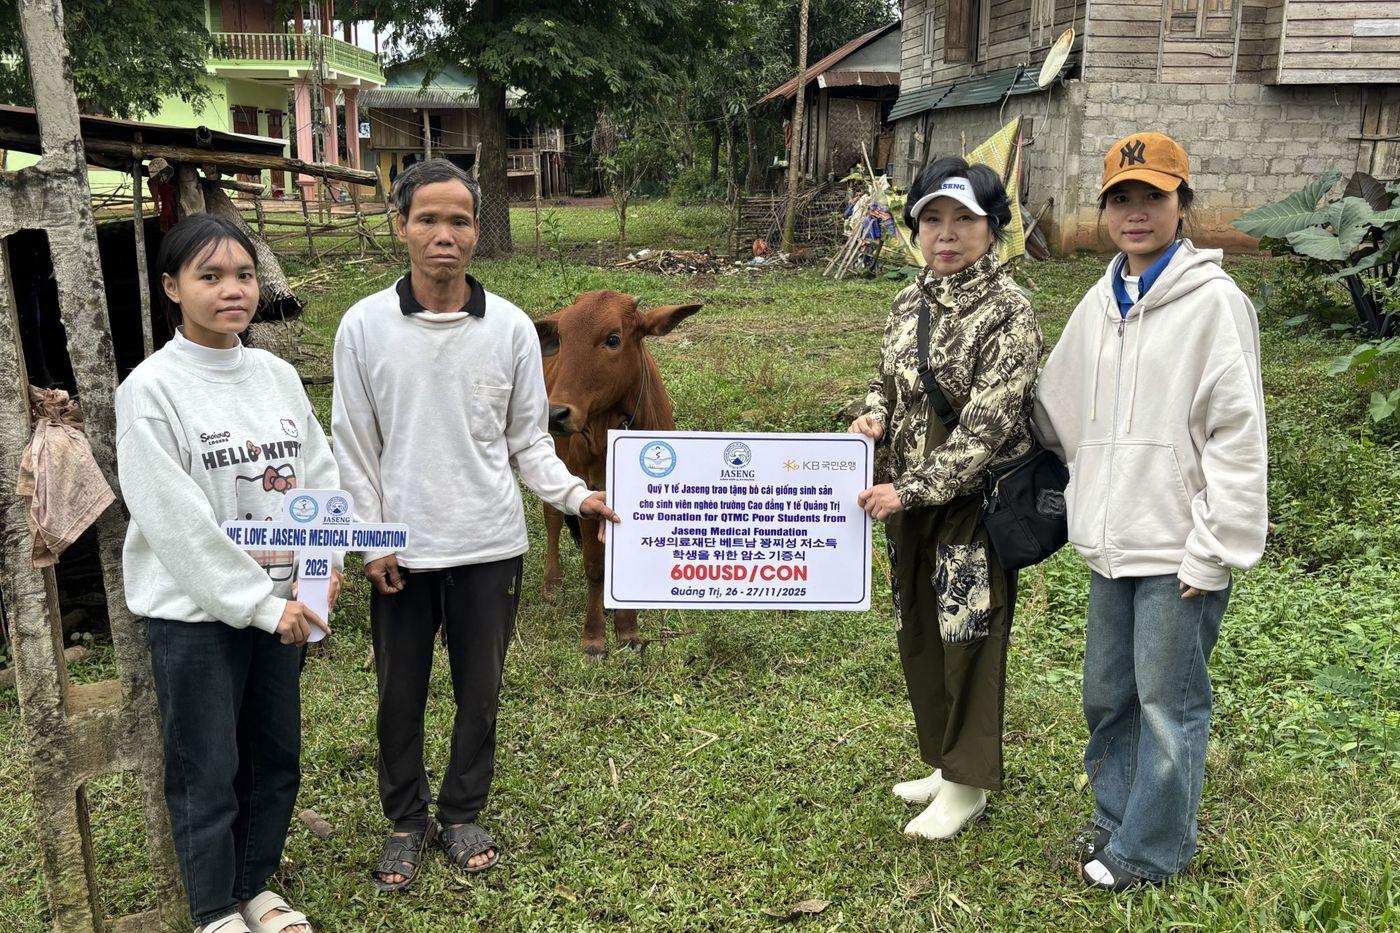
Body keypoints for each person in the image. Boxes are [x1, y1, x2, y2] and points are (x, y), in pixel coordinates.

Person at [332, 158, 619, 892]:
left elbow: (527, 441)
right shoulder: (364, 326)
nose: (444, 235)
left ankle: (461, 813)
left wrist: (576, 495)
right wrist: (371, 540)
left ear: (476, 231)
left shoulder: (512, 328)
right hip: (402, 551)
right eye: (428, 219)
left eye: (459, 221)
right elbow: (354, 446)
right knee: (399, 694)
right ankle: (405, 820)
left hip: (489, 544)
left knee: (479, 692)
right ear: (400, 225)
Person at [1033, 132, 1268, 890]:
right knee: (1108, 696)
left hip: (1179, 545)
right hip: (1111, 538)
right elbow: (1056, 404)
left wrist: (1215, 546)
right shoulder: (1100, 302)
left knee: (1168, 702)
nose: (1136, 213)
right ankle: (1116, 817)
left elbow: (1238, 434)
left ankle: (1153, 849)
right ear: (1105, 210)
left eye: (1153, 197)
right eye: (1121, 199)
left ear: (1181, 204)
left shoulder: (1214, 304)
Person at [117, 214, 339, 933]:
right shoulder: (152, 390)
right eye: (209, 276)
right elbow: (175, 521)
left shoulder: (276, 376)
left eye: (244, 275)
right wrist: (260, 604)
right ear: (171, 287)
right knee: (206, 767)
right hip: (196, 616)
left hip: (285, 609)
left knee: (274, 757)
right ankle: (214, 910)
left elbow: (318, 474)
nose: (232, 290)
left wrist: (319, 569)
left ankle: (254, 887)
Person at [849, 158, 1043, 840]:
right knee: (921, 632)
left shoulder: (1010, 313)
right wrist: (871, 417)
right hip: (905, 503)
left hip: (969, 507)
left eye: (965, 219)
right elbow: (885, 380)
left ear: (994, 227)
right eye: (932, 219)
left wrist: (908, 490)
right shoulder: (911, 301)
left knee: (968, 639)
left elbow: (985, 431)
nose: (947, 234)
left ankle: (968, 784)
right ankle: (942, 761)